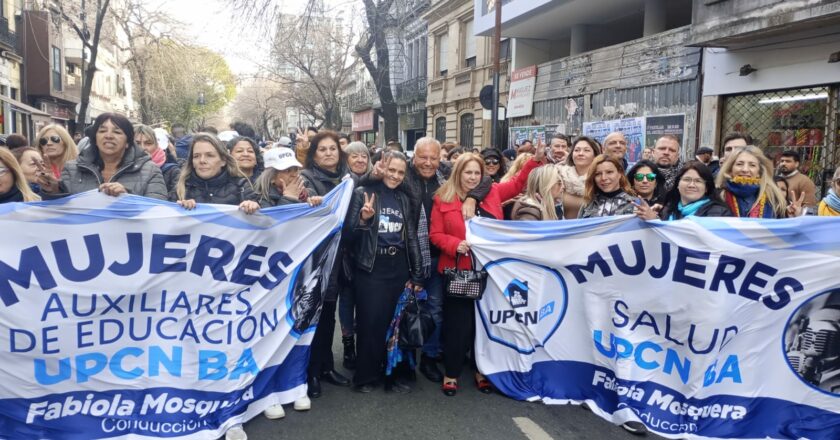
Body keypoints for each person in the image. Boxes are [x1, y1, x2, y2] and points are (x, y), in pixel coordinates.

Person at [430, 148, 543, 397]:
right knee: (457, 325)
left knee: (484, 324)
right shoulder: (443, 198)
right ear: (458, 173)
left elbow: (518, 183)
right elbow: (435, 234)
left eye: (476, 173)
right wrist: (454, 244)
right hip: (458, 271)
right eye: (467, 172)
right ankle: (451, 372)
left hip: (491, 274)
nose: (471, 177)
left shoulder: (493, 192)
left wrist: (535, 160)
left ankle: (481, 370)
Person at [343, 151, 424, 393]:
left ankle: (393, 375)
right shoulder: (362, 194)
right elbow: (347, 236)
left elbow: (410, 238)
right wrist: (364, 219)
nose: (396, 176)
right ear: (382, 168)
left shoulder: (404, 199)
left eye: (401, 172)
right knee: (370, 324)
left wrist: (417, 274)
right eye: (391, 170)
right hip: (371, 268)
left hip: (398, 268)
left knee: (396, 324)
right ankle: (366, 377)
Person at [299, 130, 352, 397]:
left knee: (329, 315)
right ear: (314, 154)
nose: (329, 153)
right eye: (322, 149)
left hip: (341, 257)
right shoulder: (306, 179)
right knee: (314, 317)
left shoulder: (346, 178)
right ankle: (311, 372)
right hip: (317, 258)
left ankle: (327, 365)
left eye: (333, 148)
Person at [43, 113, 166, 200]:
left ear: (128, 142)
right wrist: (53, 190)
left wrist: (127, 198)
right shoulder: (72, 169)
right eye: (102, 131)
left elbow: (157, 213)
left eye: (117, 132)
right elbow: (60, 212)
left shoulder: (150, 171)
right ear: (95, 139)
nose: (108, 136)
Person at [169, 133, 260, 212]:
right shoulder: (181, 188)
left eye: (210, 155)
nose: (202, 161)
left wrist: (252, 207)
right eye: (196, 156)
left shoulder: (241, 187)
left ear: (223, 160)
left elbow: (261, 225)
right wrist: (179, 209)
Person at [636, 162, 733, 220]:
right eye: (687, 179)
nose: (691, 185)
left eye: (698, 181)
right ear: (677, 184)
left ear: (706, 187)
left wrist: (655, 221)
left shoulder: (719, 213)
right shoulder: (668, 210)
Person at [715, 145, 792, 219]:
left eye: (752, 165)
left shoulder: (773, 198)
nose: (745, 169)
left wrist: (793, 217)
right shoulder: (717, 196)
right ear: (730, 169)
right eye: (739, 164)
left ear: (759, 172)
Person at [557, 136, 602, 219]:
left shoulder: (601, 178)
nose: (580, 153)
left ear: (595, 155)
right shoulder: (558, 175)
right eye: (577, 150)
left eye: (586, 150)